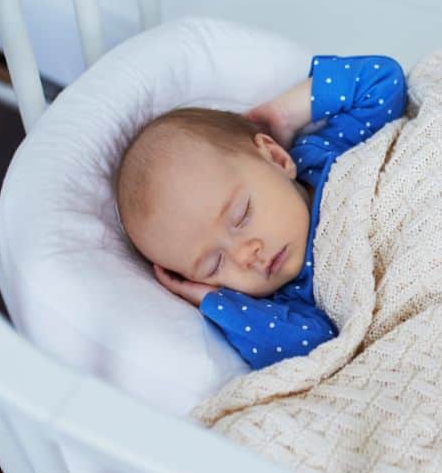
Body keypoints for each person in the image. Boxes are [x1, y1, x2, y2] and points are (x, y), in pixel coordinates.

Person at [115, 55, 407, 369]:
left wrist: (286, 112)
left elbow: (382, 81)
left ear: (277, 158)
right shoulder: (286, 300)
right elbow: (313, 348)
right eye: (215, 264)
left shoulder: (324, 157)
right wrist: (214, 302)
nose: (246, 255)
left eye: (241, 216)